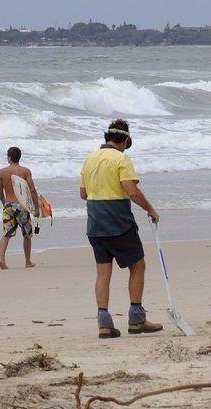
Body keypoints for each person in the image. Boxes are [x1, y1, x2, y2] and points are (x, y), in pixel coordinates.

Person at [80, 119, 163, 339]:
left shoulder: (89, 159)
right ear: (125, 140)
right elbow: (132, 191)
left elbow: (83, 194)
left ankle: (104, 323)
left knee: (103, 272)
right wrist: (151, 210)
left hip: (95, 223)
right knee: (138, 265)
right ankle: (137, 318)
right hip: (117, 221)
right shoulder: (121, 159)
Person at [0, 146, 40, 269]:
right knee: (27, 235)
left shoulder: (2, 172)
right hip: (22, 206)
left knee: (6, 234)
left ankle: (1, 258)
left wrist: (5, 204)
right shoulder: (25, 171)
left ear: (9, 157)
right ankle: (27, 261)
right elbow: (32, 190)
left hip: (8, 205)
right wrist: (36, 208)